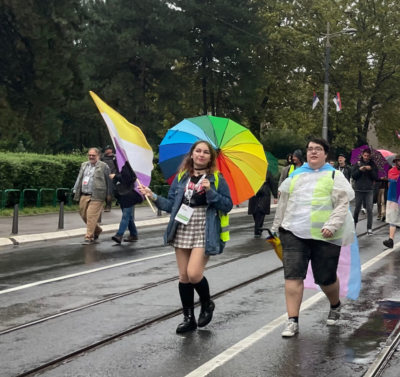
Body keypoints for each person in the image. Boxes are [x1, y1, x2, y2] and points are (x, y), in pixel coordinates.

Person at [140, 140, 233, 334]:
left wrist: (210, 192)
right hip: (182, 226)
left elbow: (227, 205)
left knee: (194, 274)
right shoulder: (182, 177)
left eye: (205, 152)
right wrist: (153, 195)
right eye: (198, 151)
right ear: (191, 154)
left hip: (204, 228)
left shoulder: (217, 178)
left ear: (210, 157)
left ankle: (207, 304)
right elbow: (171, 205)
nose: (201, 155)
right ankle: (188, 318)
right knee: (183, 276)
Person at [271, 137, 355, 338]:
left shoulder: (335, 176)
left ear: (326, 154)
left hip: (325, 235)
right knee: (293, 275)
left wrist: (332, 225)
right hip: (293, 232)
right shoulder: (295, 176)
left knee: (325, 278)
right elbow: (284, 203)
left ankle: (335, 305)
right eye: (310, 149)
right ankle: (292, 320)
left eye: (318, 149)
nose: (313, 152)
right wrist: (277, 227)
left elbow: (342, 204)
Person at [72, 148, 114, 244]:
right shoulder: (84, 165)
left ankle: (89, 237)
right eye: (90, 155)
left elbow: (109, 181)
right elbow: (79, 178)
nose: (91, 157)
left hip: (97, 195)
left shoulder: (104, 166)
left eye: (93, 155)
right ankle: (97, 230)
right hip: (84, 193)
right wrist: (75, 190)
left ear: (98, 156)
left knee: (91, 216)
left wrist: (109, 195)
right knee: (83, 215)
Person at [111, 160, 142, 244]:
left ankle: (119, 235)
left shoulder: (127, 166)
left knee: (126, 216)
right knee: (129, 217)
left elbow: (127, 179)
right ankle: (134, 234)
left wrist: (115, 176)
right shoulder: (121, 166)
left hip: (129, 195)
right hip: (123, 195)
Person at [248, 164, 278, 237]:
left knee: (261, 212)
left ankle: (257, 230)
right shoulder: (252, 173)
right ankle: (258, 228)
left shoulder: (268, 173)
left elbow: (272, 184)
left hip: (264, 195)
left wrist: (275, 196)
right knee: (255, 212)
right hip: (254, 195)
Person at [352, 148, 377, 235]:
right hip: (359, 189)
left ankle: (369, 228)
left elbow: (375, 177)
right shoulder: (357, 163)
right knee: (357, 209)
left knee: (370, 209)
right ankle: (353, 226)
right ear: (362, 155)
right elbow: (354, 176)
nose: (366, 157)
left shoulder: (373, 164)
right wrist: (359, 170)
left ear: (370, 156)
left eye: (368, 156)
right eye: (365, 155)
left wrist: (370, 170)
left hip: (369, 189)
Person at [101, 145, 117, 212]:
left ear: (111, 150)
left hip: (111, 176)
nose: (105, 151)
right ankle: (101, 205)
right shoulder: (102, 157)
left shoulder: (115, 158)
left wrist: (115, 175)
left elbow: (118, 167)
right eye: (105, 149)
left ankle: (108, 205)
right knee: (102, 191)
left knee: (109, 192)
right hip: (102, 176)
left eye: (107, 149)